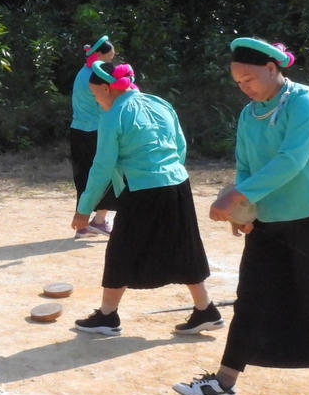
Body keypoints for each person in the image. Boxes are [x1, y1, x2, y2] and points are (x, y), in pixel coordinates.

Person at [173, 38, 309, 395]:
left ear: (272, 69)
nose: (244, 87)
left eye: (249, 79)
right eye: (238, 82)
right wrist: (244, 210)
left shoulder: (307, 102)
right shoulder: (249, 114)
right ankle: (224, 384)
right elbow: (245, 165)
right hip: (269, 219)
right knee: (252, 297)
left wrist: (235, 196)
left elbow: (291, 160)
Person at [69, 60, 219, 335]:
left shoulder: (113, 115)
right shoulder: (159, 103)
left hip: (143, 189)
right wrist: (167, 174)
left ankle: (107, 316)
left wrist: (84, 208)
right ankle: (205, 309)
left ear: (107, 89)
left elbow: (102, 166)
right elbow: (180, 145)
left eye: (95, 94)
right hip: (177, 183)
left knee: (121, 249)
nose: (95, 100)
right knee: (184, 246)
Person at [70, 36, 118, 237]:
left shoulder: (83, 73)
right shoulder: (97, 77)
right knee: (109, 174)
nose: (110, 62)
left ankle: (82, 226)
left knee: (83, 178)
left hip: (78, 132)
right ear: (98, 55)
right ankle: (99, 221)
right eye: (109, 58)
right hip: (96, 133)